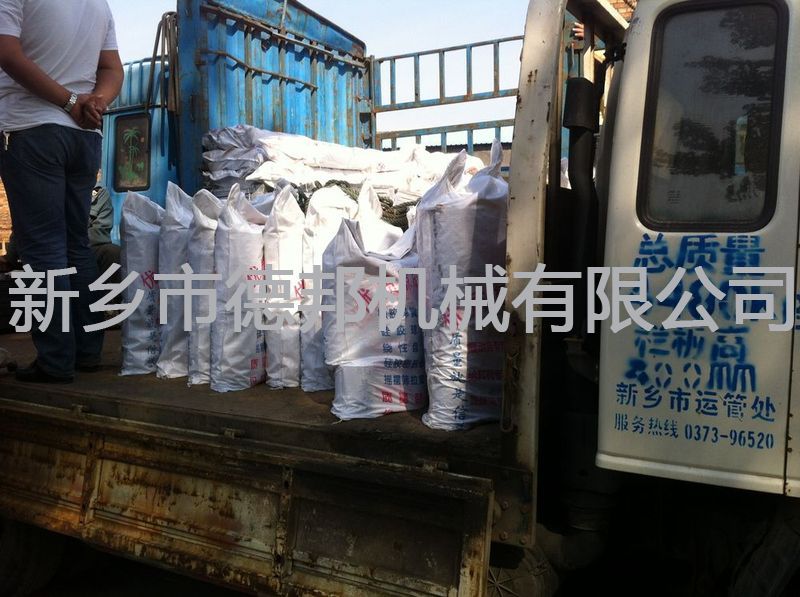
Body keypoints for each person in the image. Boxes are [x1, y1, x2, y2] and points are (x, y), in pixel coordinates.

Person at [0, 0, 124, 383]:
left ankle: (55, 360)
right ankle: (87, 351)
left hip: (32, 129)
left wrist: (69, 101)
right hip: (84, 138)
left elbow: (7, 53)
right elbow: (112, 68)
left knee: (43, 249)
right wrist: (96, 102)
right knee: (76, 245)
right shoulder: (97, 4)